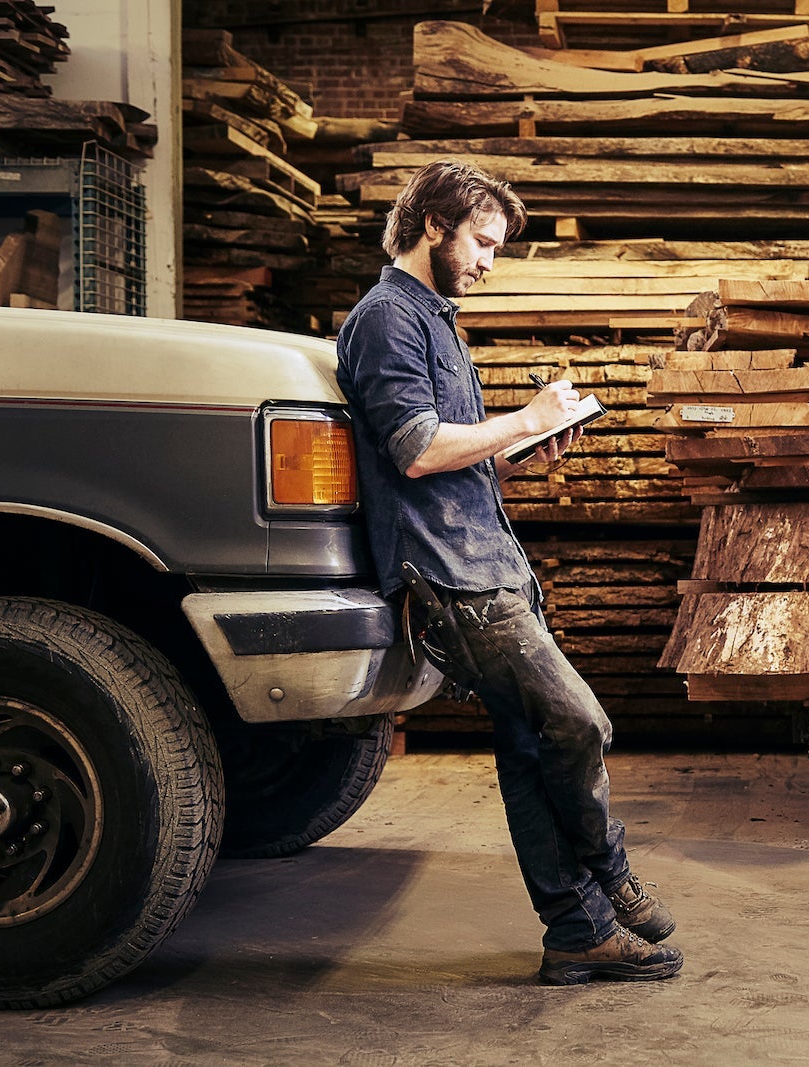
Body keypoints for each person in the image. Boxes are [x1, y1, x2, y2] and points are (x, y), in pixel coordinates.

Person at [335, 159, 681, 985]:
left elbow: (453, 456)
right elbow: (416, 450)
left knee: (530, 745)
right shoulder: (388, 318)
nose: (491, 260)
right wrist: (521, 415)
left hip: (486, 558)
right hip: (451, 574)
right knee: (579, 722)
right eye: (482, 242)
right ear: (432, 228)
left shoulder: (434, 316)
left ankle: (575, 934)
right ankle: (612, 877)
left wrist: (524, 449)